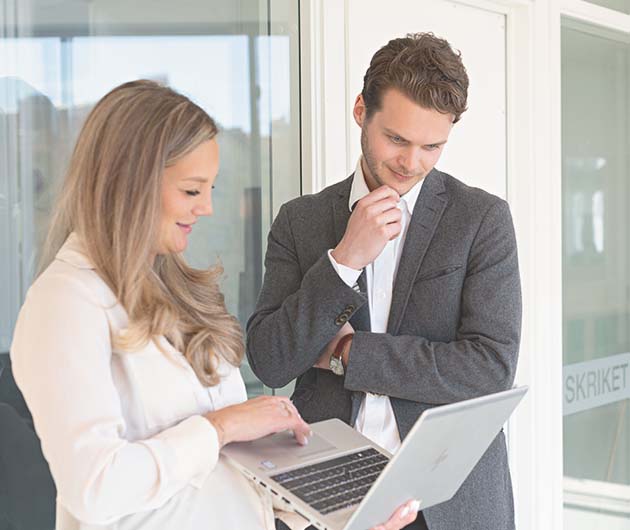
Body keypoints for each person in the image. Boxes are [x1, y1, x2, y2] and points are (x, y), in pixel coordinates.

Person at [10, 80, 418, 530]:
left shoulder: (179, 292)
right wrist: (222, 426)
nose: (205, 208)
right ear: (128, 185)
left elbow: (225, 478)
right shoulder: (66, 303)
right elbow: (95, 490)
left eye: (210, 189)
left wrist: (334, 518)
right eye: (190, 190)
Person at [246, 33, 522, 530]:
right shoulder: (301, 221)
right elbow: (270, 358)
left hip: (445, 503)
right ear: (360, 111)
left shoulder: (481, 219)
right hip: (325, 499)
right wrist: (343, 261)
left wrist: (351, 355)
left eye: (432, 145)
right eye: (396, 139)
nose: (411, 163)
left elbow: (489, 368)